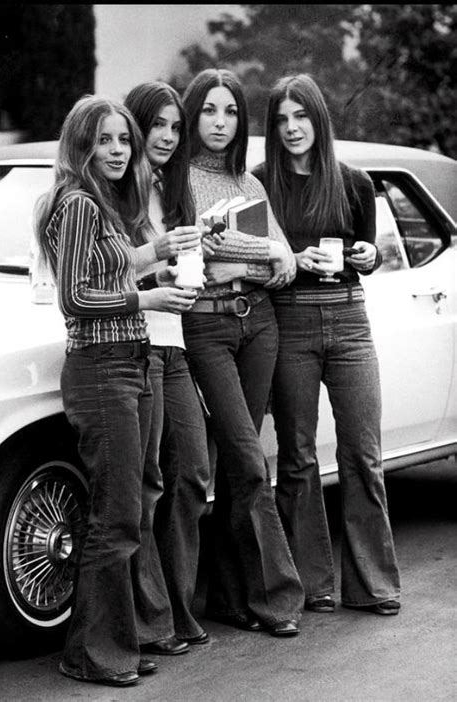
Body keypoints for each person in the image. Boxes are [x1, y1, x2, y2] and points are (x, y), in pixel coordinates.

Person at [34, 95, 199, 686]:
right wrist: (147, 297)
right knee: (116, 515)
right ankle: (91, 654)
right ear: (81, 145)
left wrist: (156, 251)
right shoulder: (77, 203)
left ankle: (116, 644)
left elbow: (109, 268)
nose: (118, 151)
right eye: (105, 140)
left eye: (123, 140)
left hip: (129, 361)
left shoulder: (99, 204)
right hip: (102, 368)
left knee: (125, 511)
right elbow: (77, 298)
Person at [254, 73, 401, 616]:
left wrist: (369, 256)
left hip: (349, 318)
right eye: (282, 120)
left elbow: (371, 250)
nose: (293, 128)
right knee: (296, 457)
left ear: (319, 119)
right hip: (289, 321)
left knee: (363, 453)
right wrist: (290, 264)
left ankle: (374, 585)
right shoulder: (259, 183)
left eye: (301, 116)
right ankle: (313, 584)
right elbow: (252, 261)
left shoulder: (354, 181)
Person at [181, 68, 305, 637]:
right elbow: (203, 248)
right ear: (193, 115)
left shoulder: (250, 185)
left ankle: (230, 598)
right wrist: (263, 253)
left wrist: (247, 260)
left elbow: (288, 265)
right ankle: (278, 599)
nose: (220, 122)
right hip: (207, 331)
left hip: (260, 326)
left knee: (240, 469)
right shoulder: (177, 180)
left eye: (230, 112)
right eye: (209, 110)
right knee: (251, 461)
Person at [124, 80, 211, 645]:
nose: (168, 136)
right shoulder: (116, 192)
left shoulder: (173, 192)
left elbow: (190, 267)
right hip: (137, 342)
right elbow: (102, 273)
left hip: (174, 343)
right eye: (157, 124)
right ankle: (151, 619)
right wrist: (156, 269)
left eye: (176, 127)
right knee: (146, 486)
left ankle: (177, 606)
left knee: (194, 474)